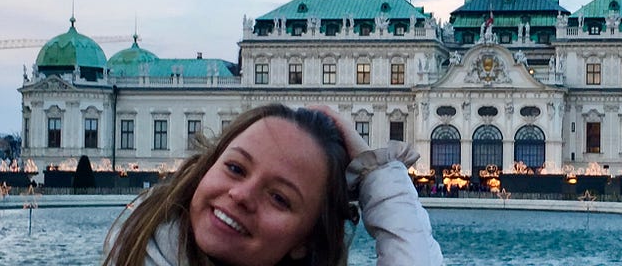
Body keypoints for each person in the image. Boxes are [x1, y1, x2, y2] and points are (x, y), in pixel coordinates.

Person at [102, 104, 444, 266]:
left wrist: (378, 172)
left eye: (279, 198)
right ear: (208, 166)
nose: (241, 195)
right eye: (235, 168)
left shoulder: (130, 249)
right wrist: (376, 174)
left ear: (304, 243)